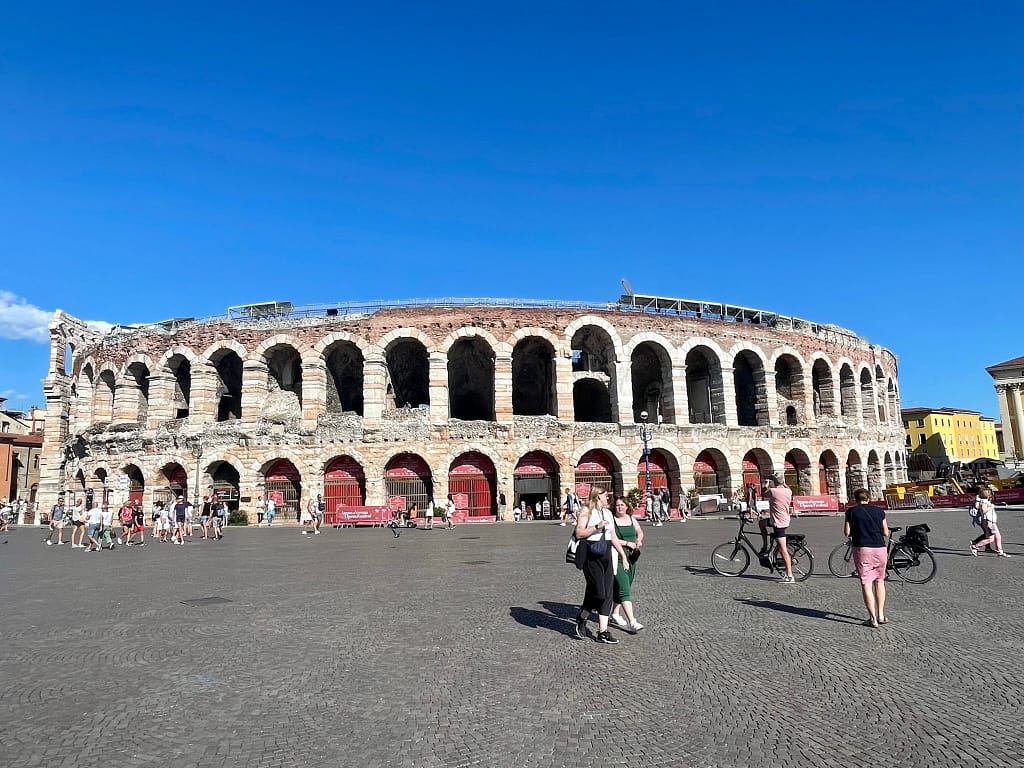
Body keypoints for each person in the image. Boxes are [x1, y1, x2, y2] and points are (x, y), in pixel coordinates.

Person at [574, 486, 630, 644]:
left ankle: (603, 631)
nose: (608, 498)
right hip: (591, 553)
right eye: (606, 496)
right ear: (598, 497)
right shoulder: (586, 511)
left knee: (607, 594)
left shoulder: (607, 513)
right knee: (598, 592)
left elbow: (612, 536)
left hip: (606, 554)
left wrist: (622, 555)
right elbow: (579, 533)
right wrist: (596, 527)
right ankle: (582, 617)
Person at [844, 488, 890, 627]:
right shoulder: (879, 511)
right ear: (868, 498)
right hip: (880, 549)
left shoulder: (851, 512)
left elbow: (847, 533)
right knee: (879, 581)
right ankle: (881, 615)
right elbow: (886, 532)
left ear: (856, 500)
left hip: (862, 549)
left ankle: (872, 619)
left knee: (866, 583)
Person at [609, 496, 645, 633]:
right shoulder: (612, 521)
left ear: (627, 506)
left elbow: (640, 532)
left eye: (622, 505)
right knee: (625, 589)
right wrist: (626, 543)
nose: (620, 508)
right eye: (617, 505)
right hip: (617, 558)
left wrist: (638, 540)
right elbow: (611, 538)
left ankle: (615, 614)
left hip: (632, 559)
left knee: (623, 587)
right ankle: (632, 621)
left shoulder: (631, 519)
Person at [763, 476, 795, 584]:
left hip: (778, 523)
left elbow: (764, 493)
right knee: (761, 523)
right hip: (783, 520)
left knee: (783, 550)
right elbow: (786, 486)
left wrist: (766, 484)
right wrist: (782, 482)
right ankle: (765, 545)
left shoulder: (773, 491)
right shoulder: (788, 491)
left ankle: (790, 576)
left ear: (774, 482)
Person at [970, 488, 1011, 557]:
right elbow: (983, 510)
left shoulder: (986, 500)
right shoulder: (984, 501)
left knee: (998, 537)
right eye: (990, 493)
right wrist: (991, 507)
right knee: (990, 538)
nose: (991, 494)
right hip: (988, 522)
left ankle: (1000, 552)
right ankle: (975, 546)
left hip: (992, 522)